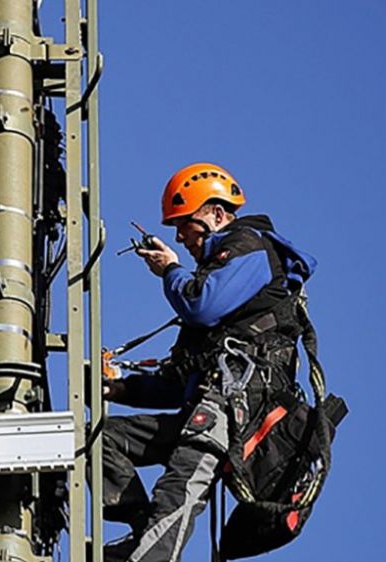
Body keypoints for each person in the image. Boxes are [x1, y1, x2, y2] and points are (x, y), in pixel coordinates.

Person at [99, 162, 317, 562]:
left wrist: (170, 271)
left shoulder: (250, 246)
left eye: (185, 224)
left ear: (217, 215)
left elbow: (200, 304)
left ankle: (150, 556)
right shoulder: (218, 284)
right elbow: (180, 379)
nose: (180, 237)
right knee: (95, 439)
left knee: (179, 486)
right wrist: (121, 388)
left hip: (232, 410)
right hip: (206, 406)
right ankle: (145, 533)